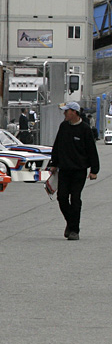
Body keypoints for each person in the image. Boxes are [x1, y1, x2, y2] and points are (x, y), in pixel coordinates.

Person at [48, 101, 99, 241]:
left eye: (66, 111)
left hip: (79, 171)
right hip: (64, 169)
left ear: (74, 112)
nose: (64, 113)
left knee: (75, 198)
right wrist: (54, 163)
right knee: (62, 197)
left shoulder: (85, 129)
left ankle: (74, 230)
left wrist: (94, 170)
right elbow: (57, 146)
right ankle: (70, 223)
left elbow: (92, 151)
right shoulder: (64, 126)